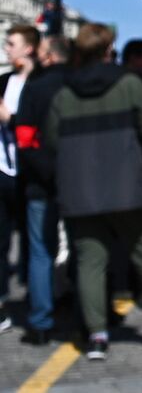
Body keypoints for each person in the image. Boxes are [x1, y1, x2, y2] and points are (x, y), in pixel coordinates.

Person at [44, 23, 142, 361]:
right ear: (108, 49)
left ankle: (97, 336)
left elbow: (52, 139)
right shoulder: (128, 84)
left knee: (90, 261)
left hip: (80, 188)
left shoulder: (64, 92)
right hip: (126, 186)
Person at [13, 33, 69, 344]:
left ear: (47, 56)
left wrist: (45, 170)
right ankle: (89, 319)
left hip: (41, 180)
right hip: (79, 180)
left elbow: (24, 137)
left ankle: (41, 320)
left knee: (40, 251)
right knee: (87, 250)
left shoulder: (35, 87)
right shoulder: (79, 83)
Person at [0, 23, 39, 338]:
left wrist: (9, 118)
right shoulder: (3, 82)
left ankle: (36, 301)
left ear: (29, 48)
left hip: (30, 171)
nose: (6, 48)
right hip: (2, 169)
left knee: (33, 242)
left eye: (11, 43)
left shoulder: (39, 84)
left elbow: (35, 124)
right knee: (1, 241)